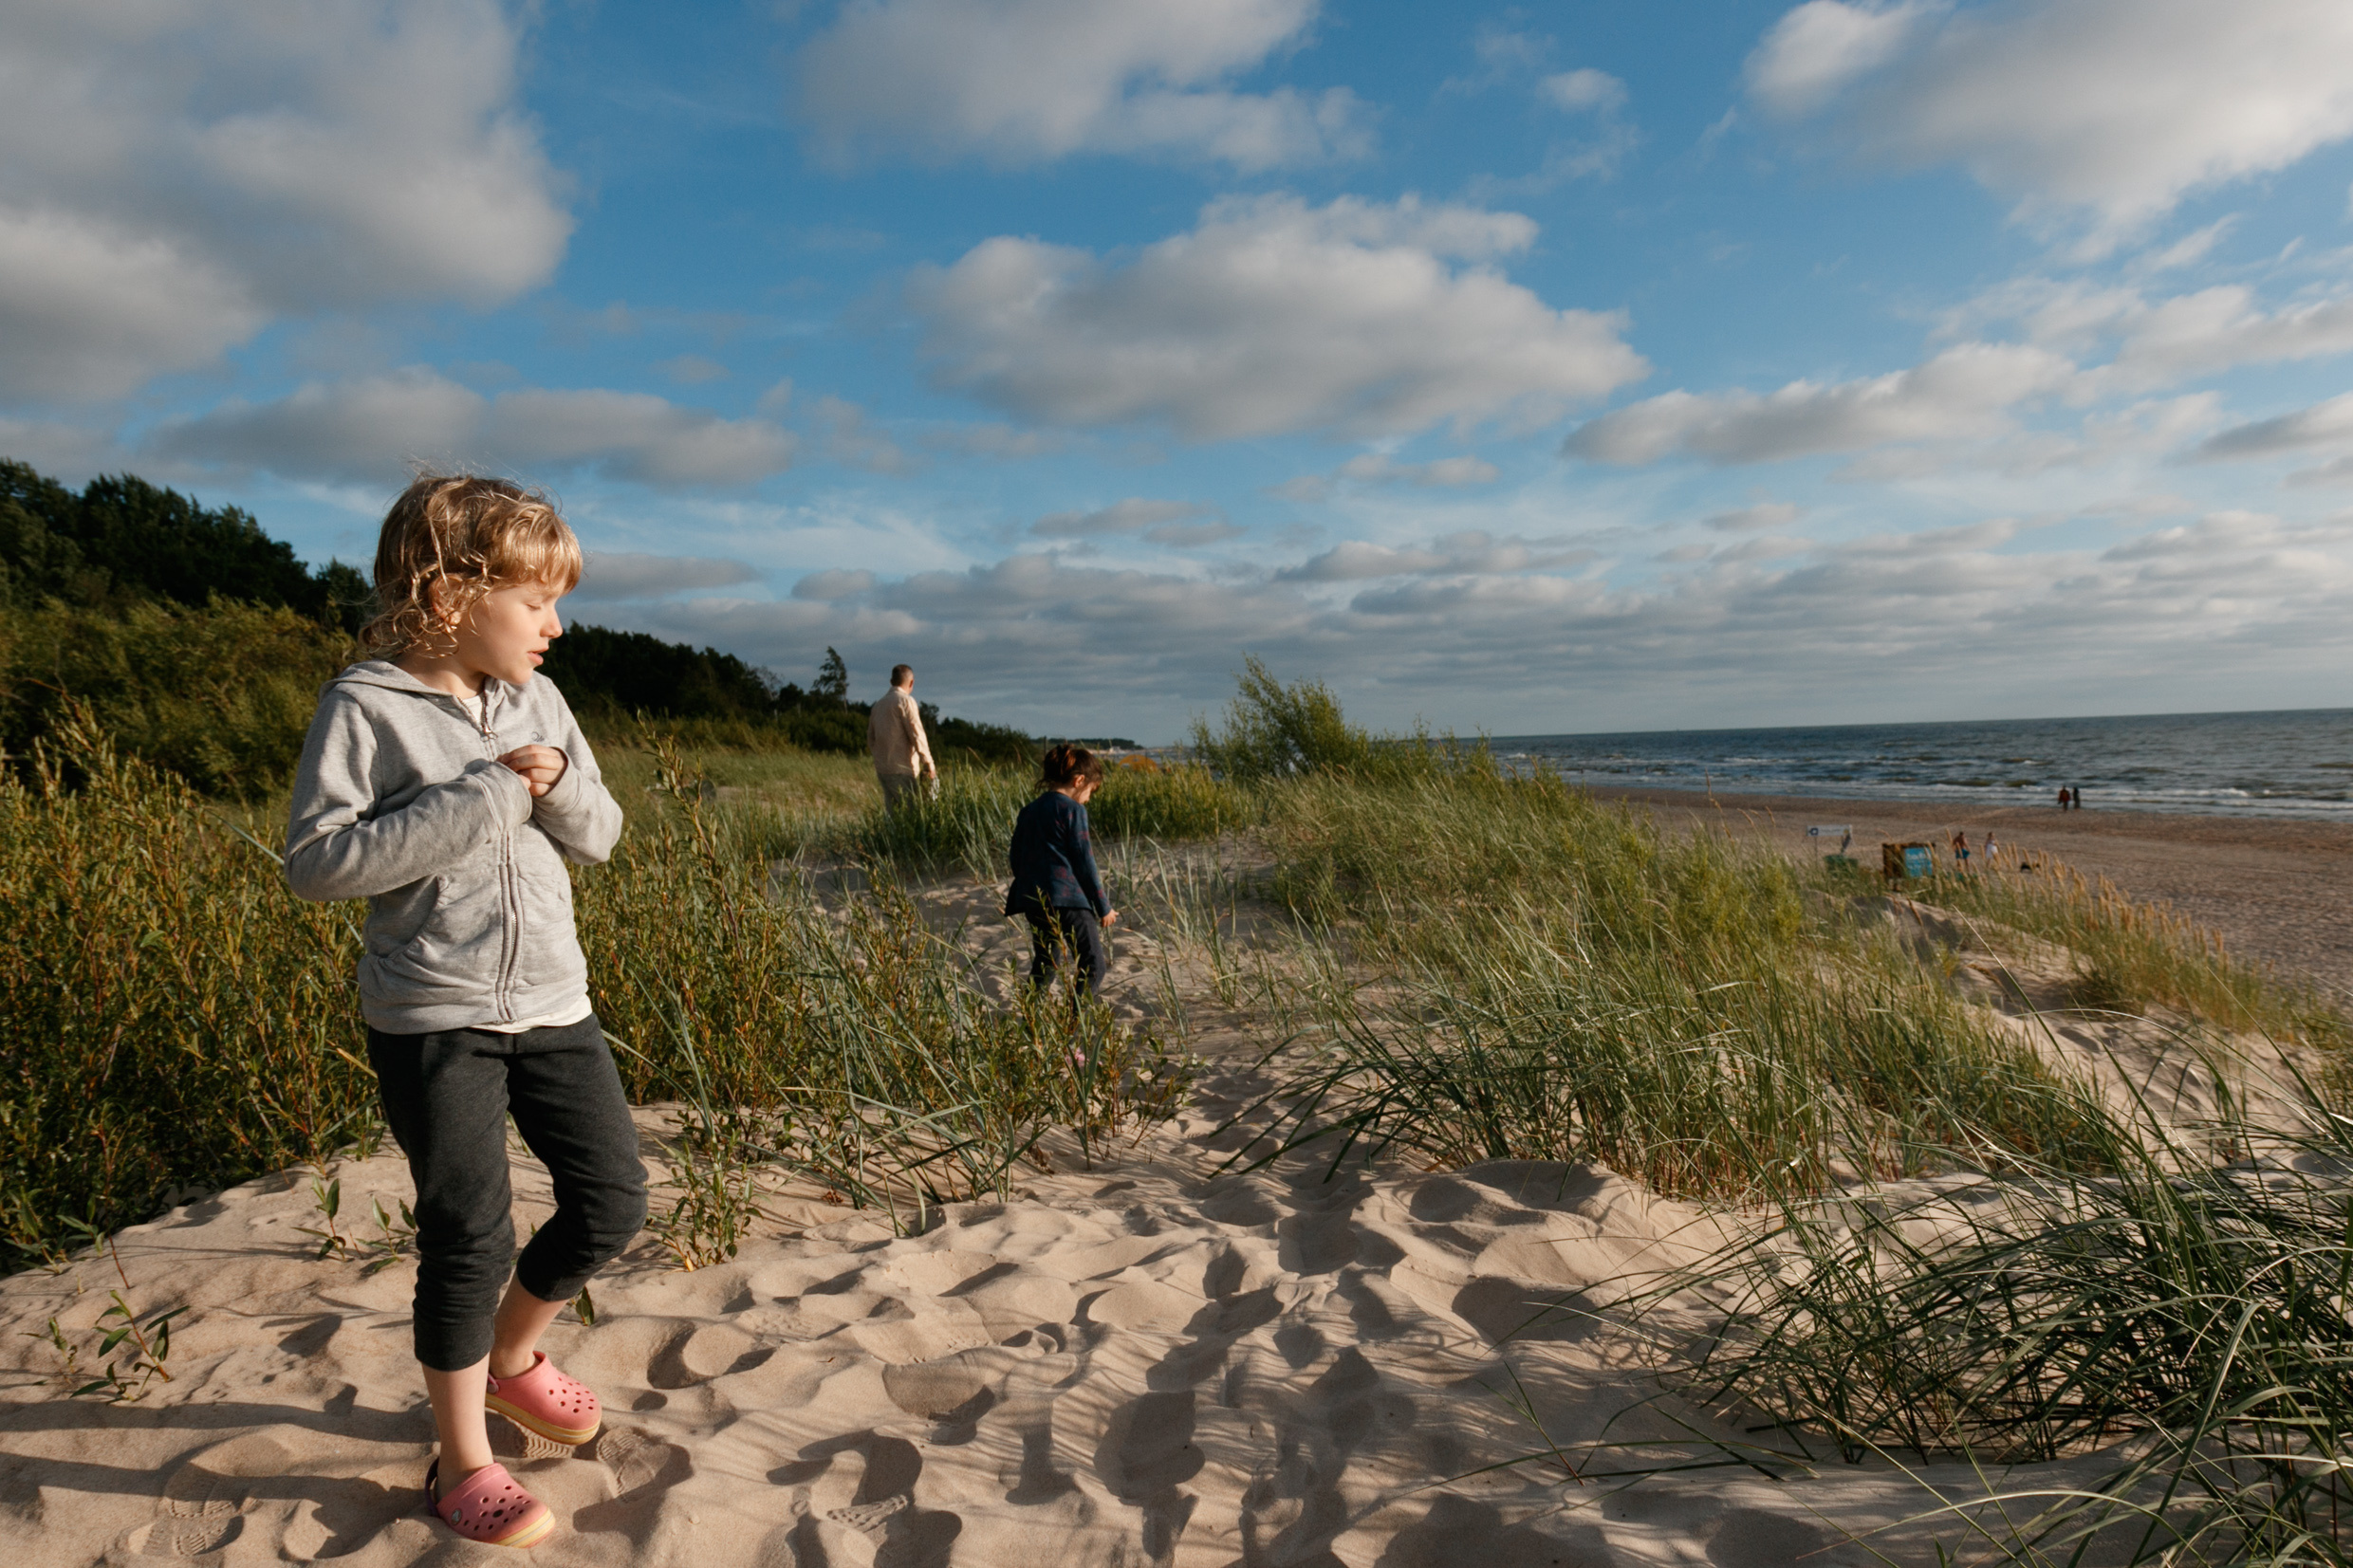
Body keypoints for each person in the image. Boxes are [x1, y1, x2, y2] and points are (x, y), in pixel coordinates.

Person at [284, 475, 644, 1550]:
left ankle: (515, 1359)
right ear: (448, 592)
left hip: (553, 1001)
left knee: (613, 1200)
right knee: (467, 1239)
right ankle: (460, 1460)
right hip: (432, 1015)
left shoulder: (538, 700)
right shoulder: (365, 706)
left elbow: (602, 833)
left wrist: (556, 786)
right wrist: (482, 795)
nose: (555, 623)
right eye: (535, 600)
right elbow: (318, 864)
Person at [1005, 744, 1119, 995]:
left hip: (1034, 900)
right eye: (1090, 791)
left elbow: (1016, 856)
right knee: (1093, 965)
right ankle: (1075, 1027)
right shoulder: (1073, 810)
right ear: (1079, 781)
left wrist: (1032, 883)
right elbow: (1084, 862)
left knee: (1046, 962)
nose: (1088, 798)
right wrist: (1104, 907)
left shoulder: (1029, 811)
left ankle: (1031, 1020)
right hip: (1068, 900)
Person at [868, 663, 936, 807]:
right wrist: (928, 762)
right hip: (902, 770)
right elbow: (917, 734)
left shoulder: (878, 705)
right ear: (911, 682)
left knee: (894, 817)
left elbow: (871, 739)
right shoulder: (905, 701)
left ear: (891, 681)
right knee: (911, 815)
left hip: (883, 770)